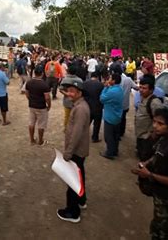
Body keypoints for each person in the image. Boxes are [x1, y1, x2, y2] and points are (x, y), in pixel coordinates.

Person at [132, 108, 168, 240]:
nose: (155, 126)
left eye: (160, 124)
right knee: (161, 225)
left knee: (163, 229)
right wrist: (147, 163)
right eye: (154, 122)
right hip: (159, 193)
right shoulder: (163, 138)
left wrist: (149, 175)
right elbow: (157, 154)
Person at [57, 79, 90, 223]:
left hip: (76, 151)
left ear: (79, 93)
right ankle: (82, 200)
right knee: (79, 175)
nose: (69, 93)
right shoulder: (78, 105)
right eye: (68, 90)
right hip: (78, 150)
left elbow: (76, 133)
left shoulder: (80, 109)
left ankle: (73, 212)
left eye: (72, 91)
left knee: (72, 181)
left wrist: (68, 152)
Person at [135, 75, 163, 161]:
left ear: (151, 90)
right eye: (140, 87)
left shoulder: (155, 102)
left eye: (144, 88)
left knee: (145, 161)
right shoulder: (143, 97)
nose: (141, 90)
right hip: (140, 135)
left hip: (147, 138)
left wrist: (152, 136)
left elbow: (160, 121)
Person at [25, 65, 51, 145]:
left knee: (31, 123)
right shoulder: (44, 85)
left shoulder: (29, 82)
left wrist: (31, 100)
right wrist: (49, 106)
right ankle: (40, 141)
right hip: (41, 106)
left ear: (34, 73)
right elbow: (47, 98)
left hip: (32, 105)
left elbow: (27, 94)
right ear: (42, 73)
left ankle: (32, 140)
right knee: (41, 124)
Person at [99, 73, 123, 159]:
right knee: (115, 136)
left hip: (110, 117)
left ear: (114, 81)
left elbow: (101, 98)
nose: (109, 80)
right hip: (117, 116)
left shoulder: (112, 91)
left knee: (109, 136)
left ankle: (109, 153)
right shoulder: (119, 89)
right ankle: (115, 150)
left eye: (110, 79)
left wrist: (105, 87)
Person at [59, 65, 83, 131]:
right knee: (76, 116)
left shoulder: (65, 79)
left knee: (67, 116)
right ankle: (74, 129)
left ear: (68, 71)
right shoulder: (79, 80)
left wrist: (67, 94)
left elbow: (60, 89)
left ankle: (66, 129)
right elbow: (81, 91)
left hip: (67, 101)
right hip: (76, 102)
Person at [82, 71, 104, 142]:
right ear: (97, 77)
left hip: (87, 106)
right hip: (98, 106)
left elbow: (82, 94)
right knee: (97, 124)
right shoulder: (101, 85)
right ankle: (95, 137)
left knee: (86, 122)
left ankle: (82, 135)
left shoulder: (84, 83)